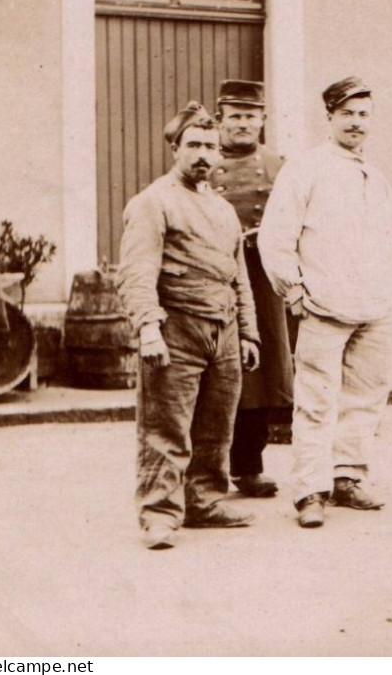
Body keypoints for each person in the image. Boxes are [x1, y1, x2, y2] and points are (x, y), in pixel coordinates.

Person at [259, 77, 392, 529]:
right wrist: (294, 289)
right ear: (329, 118)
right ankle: (309, 490)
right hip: (324, 305)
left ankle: (348, 476)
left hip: (377, 307)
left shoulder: (376, 177)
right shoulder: (305, 169)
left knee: (365, 400)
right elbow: (276, 236)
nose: (356, 123)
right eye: (347, 114)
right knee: (316, 402)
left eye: (364, 115)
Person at [117, 103, 260, 549]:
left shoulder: (221, 209)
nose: (204, 155)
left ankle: (204, 500)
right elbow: (136, 273)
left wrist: (249, 332)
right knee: (166, 426)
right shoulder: (152, 203)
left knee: (216, 424)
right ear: (175, 148)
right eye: (194, 145)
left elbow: (239, 276)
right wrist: (148, 329)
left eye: (211, 147)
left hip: (224, 331)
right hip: (175, 328)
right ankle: (159, 512)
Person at [209, 79, 291, 499]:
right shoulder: (202, 160)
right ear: (220, 119)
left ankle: (249, 465)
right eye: (235, 116)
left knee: (259, 373)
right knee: (214, 370)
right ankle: (206, 469)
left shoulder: (280, 166)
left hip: (262, 279)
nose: (243, 124)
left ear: (262, 120)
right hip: (214, 274)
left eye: (250, 116)